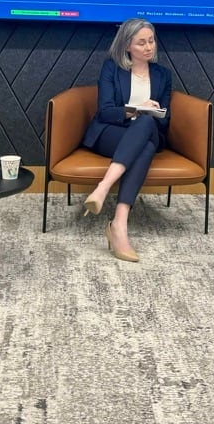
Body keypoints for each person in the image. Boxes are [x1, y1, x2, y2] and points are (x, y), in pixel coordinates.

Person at [81, 18, 172, 262]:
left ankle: (103, 189)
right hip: (111, 133)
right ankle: (119, 224)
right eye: (141, 42)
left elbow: (164, 121)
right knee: (145, 145)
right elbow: (105, 111)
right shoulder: (112, 68)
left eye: (151, 41)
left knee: (147, 124)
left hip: (149, 130)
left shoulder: (163, 75)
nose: (148, 47)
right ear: (127, 45)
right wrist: (135, 109)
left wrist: (151, 112)